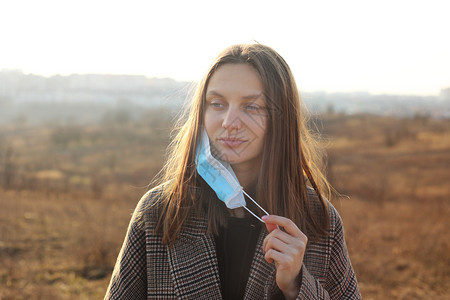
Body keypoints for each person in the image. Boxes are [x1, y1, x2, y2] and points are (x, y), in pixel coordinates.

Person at [105, 44, 361, 300]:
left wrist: (296, 286)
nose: (229, 122)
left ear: (281, 120)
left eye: (252, 107)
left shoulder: (317, 218)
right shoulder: (161, 211)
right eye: (217, 104)